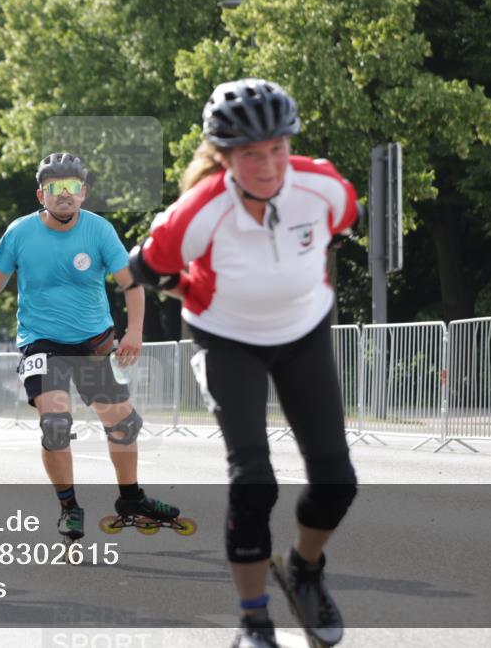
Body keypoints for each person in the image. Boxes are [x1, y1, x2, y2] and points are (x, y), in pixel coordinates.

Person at [128, 79, 360, 648]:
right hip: (227, 339)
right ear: (225, 157)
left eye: (277, 148)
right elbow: (146, 269)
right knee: (254, 480)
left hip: (304, 332)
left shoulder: (324, 186)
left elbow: (340, 231)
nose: (267, 164)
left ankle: (304, 570)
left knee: (337, 481)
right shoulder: (198, 211)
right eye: (251, 154)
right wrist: (192, 295)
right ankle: (254, 621)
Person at [0, 152, 184, 544]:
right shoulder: (21, 233)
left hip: (93, 342)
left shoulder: (99, 230)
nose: (65, 195)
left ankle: (131, 499)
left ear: (84, 192)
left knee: (123, 425)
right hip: (42, 343)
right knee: (55, 424)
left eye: (72, 188)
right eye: (55, 188)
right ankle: (69, 507)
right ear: (41, 194)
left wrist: (134, 332)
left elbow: (131, 282)